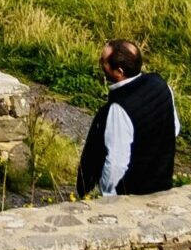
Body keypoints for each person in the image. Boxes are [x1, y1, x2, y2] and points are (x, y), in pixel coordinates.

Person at [76, 39, 179, 198]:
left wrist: (106, 193)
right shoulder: (160, 84)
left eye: (103, 62)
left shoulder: (120, 108)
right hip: (163, 182)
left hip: (132, 191)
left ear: (119, 72)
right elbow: (174, 128)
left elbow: (116, 163)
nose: (100, 64)